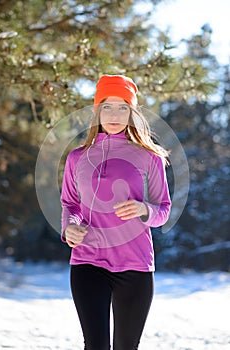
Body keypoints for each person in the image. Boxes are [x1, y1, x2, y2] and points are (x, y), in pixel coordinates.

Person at [60, 74, 171, 350]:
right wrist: (69, 227)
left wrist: (144, 209)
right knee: (95, 345)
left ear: (132, 113)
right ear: (97, 110)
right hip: (87, 261)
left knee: (125, 346)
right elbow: (70, 204)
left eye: (123, 107)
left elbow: (164, 210)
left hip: (135, 263)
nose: (114, 114)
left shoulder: (149, 156)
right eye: (107, 106)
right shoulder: (77, 157)